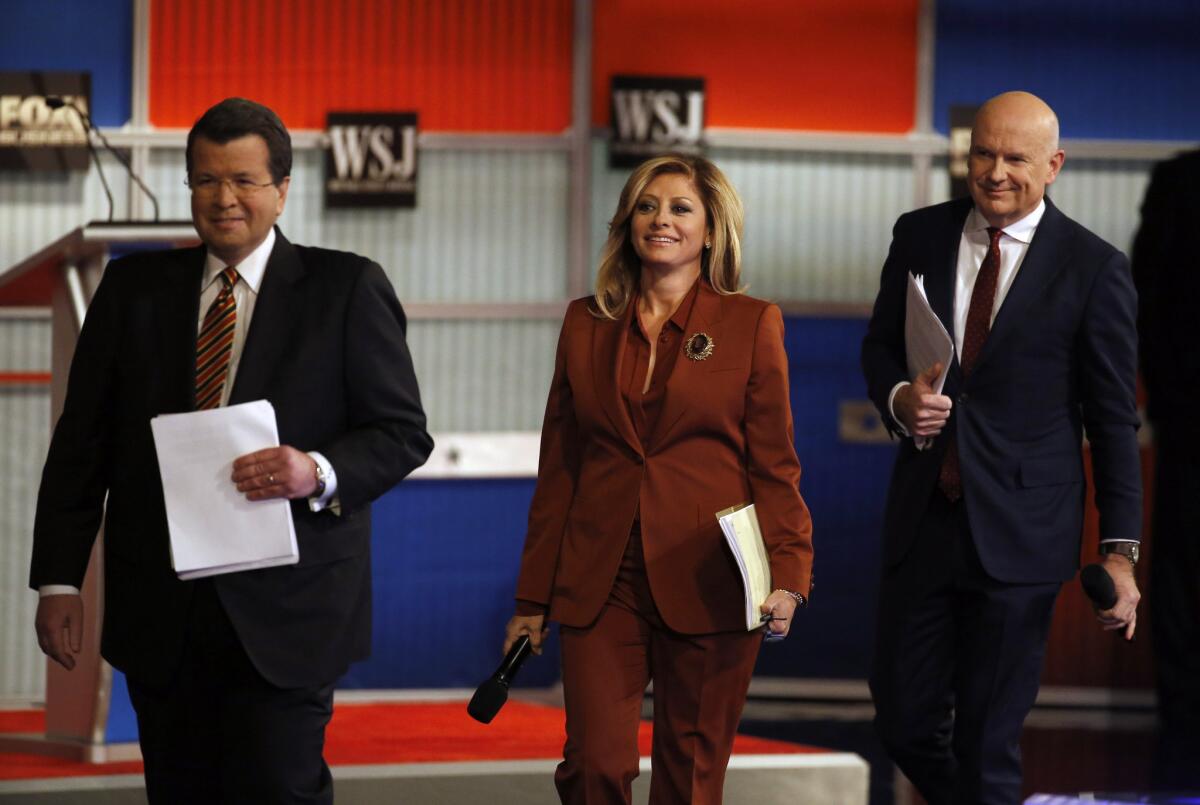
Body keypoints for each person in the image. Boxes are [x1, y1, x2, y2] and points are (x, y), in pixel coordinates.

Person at [29, 97, 433, 804]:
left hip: (292, 610)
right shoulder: (131, 291)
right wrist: (58, 580)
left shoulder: (346, 288)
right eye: (206, 180)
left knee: (280, 790)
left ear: (282, 190)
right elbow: (81, 446)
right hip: (163, 611)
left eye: (244, 180)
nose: (224, 199)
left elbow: (401, 432)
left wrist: (317, 470)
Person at [503, 153, 813, 804]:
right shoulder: (584, 321)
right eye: (647, 206)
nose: (661, 220)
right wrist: (533, 597)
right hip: (601, 577)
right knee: (593, 766)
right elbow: (559, 468)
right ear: (626, 222)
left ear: (711, 228)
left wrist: (788, 574)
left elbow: (774, 463)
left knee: (690, 779)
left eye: (680, 208)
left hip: (713, 575)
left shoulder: (752, 322)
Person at [861, 91, 1142, 805]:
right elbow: (881, 347)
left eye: (1015, 158)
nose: (994, 171)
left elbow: (1112, 420)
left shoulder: (1093, 268)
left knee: (988, 740)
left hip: (1023, 534)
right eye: (981, 152)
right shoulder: (919, 233)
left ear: (1054, 166)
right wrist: (900, 399)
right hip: (924, 518)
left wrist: (1121, 549)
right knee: (902, 720)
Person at [1130, 146, 1200, 791]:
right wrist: (1170, 401)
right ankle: (1182, 723)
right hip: (1190, 424)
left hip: (1184, 419)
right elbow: (1146, 298)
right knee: (1182, 575)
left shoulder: (1178, 180)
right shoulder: (1181, 181)